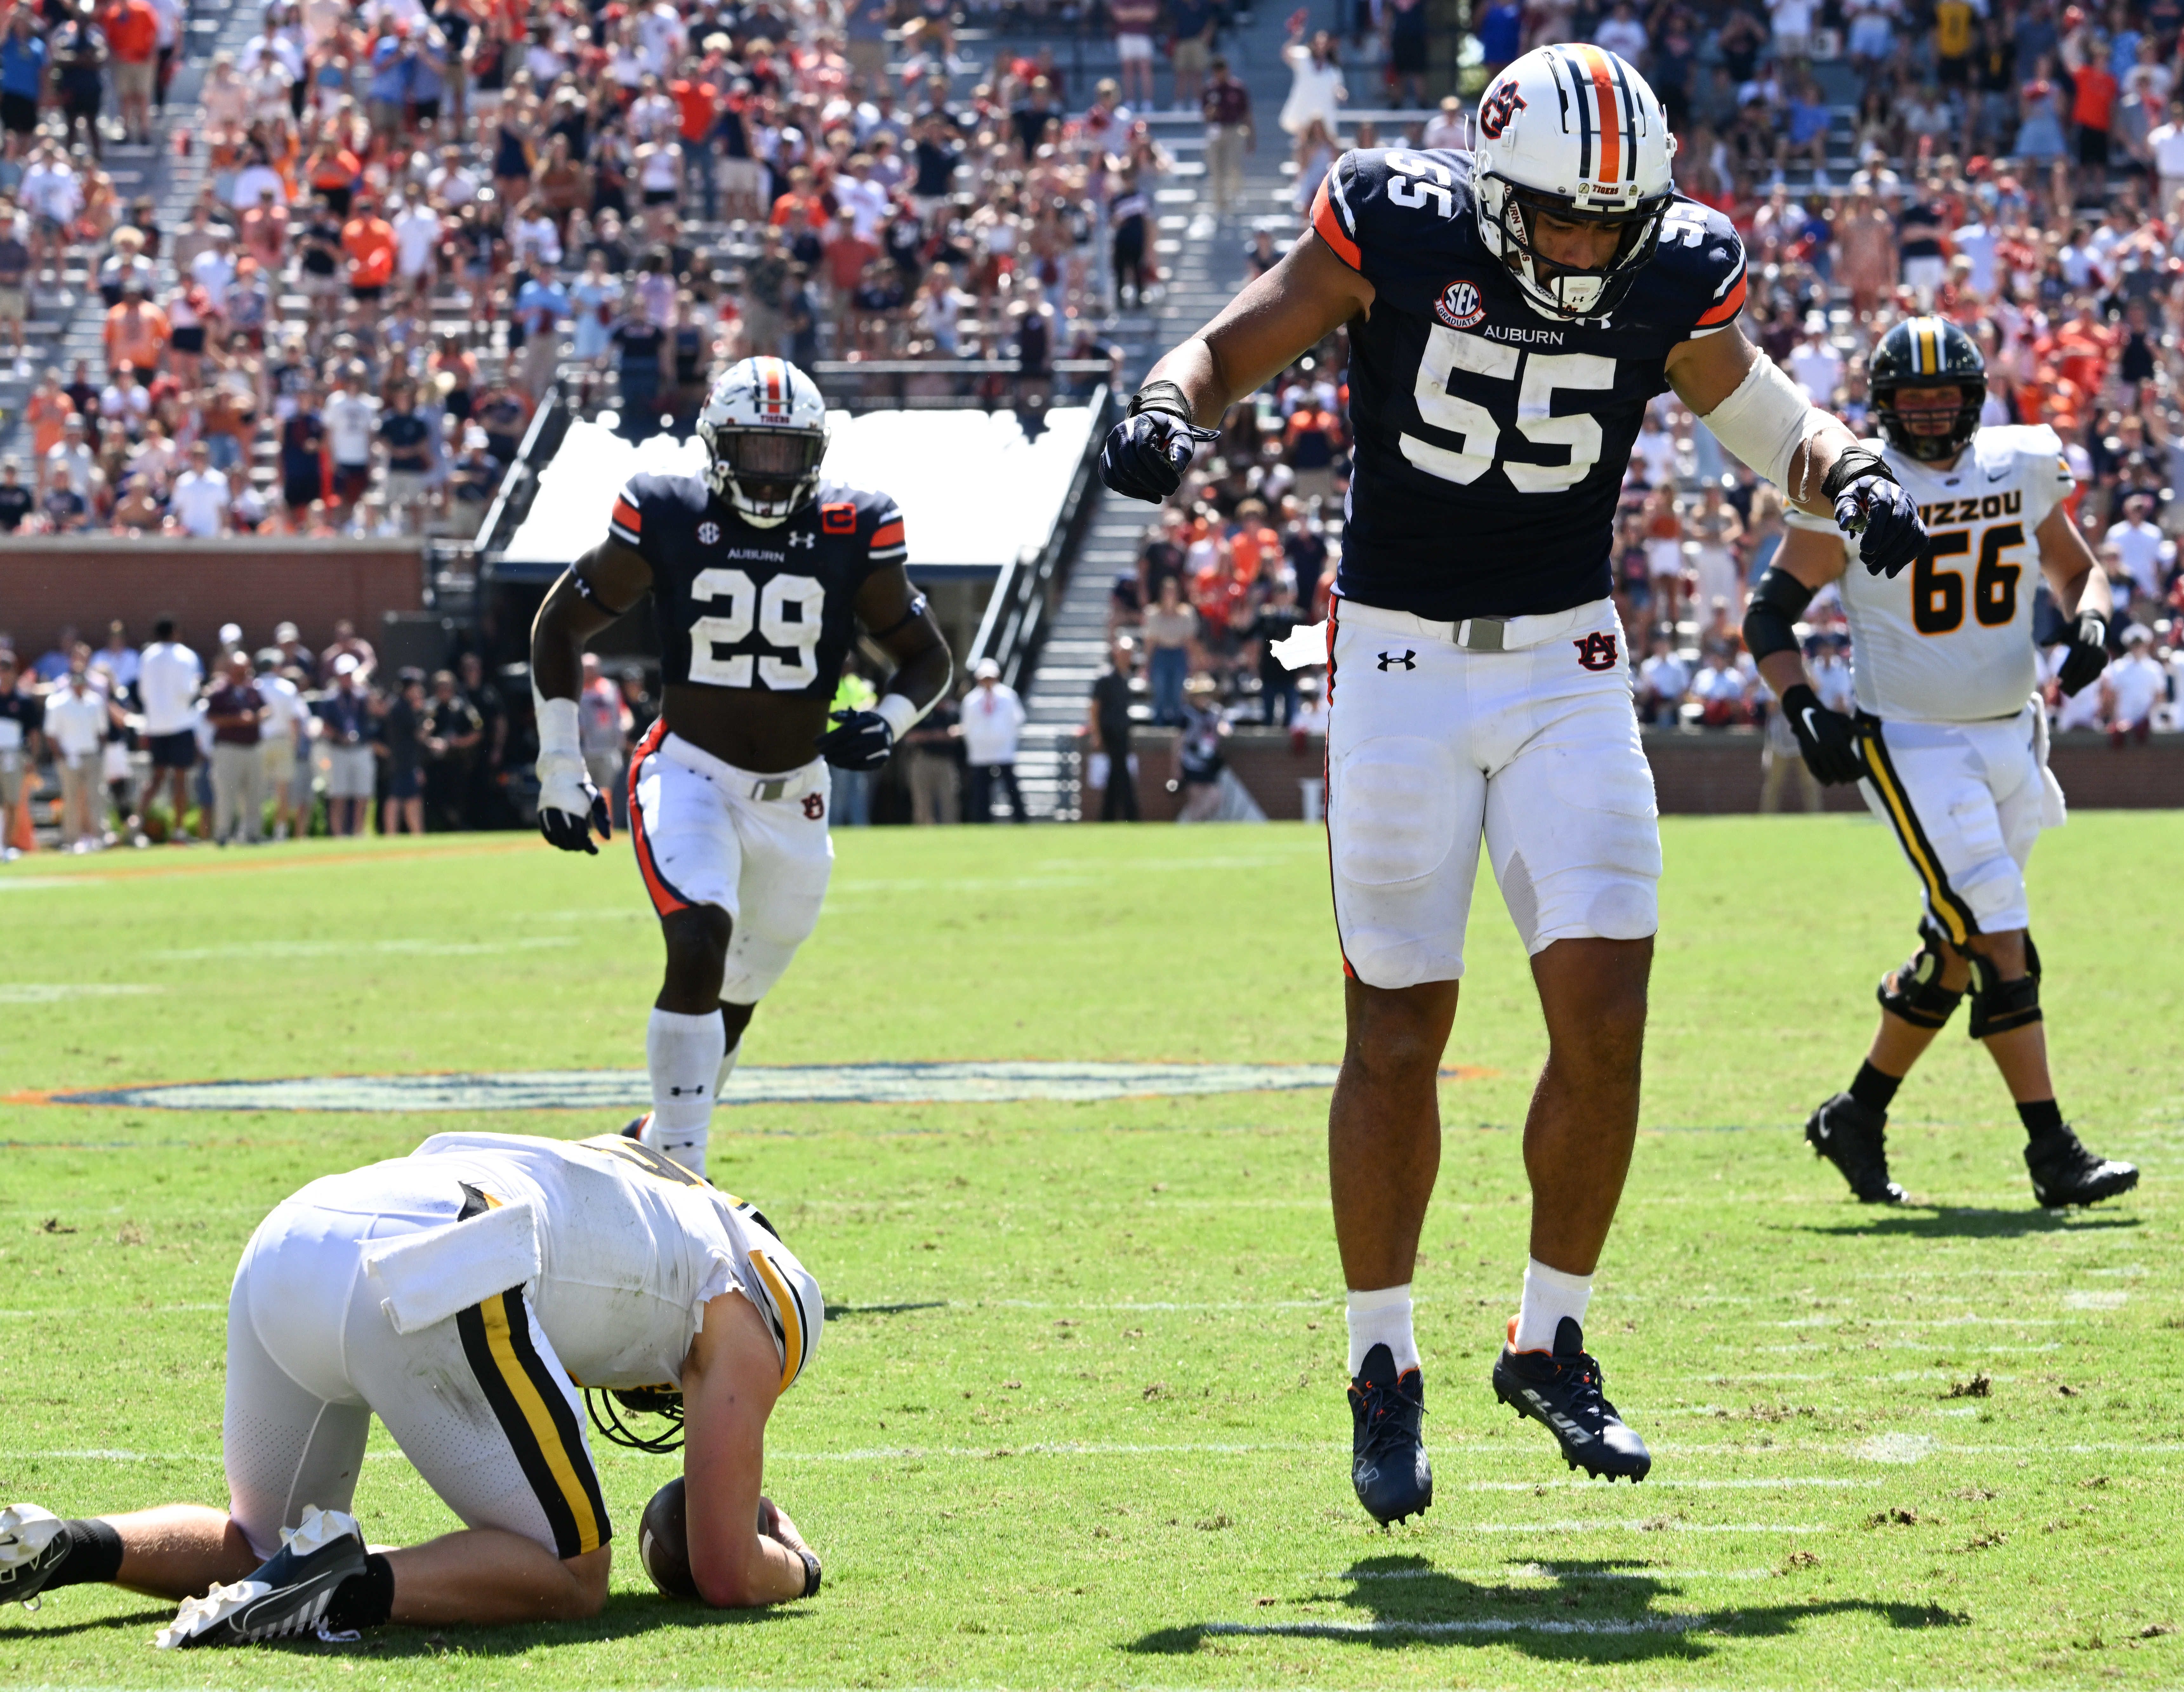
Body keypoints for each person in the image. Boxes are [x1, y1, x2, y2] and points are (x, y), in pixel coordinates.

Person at [1098, 47, 1929, 1521]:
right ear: (1491, 191)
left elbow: (1756, 413)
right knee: (1399, 1027)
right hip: (1399, 668)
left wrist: (1847, 470)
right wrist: (1163, 408)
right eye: (1559, 218)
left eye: (1613, 221)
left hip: (1565, 657)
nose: (1586, 247)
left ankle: (1548, 1332)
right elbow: (1226, 349)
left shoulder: (1666, 262)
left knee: (1604, 1016)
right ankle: (1378, 1360)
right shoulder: (1392, 223)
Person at [0, 1130, 824, 1643]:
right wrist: (795, 1564)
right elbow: (724, 1571)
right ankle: (343, 1582)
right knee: (572, 1573)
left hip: (292, 1235)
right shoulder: (761, 1285)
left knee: (258, 1542)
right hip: (438, 1255)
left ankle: (62, 1543)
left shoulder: (624, 1183)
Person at [531, 357, 952, 1184]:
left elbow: (926, 657)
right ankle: (684, 1174)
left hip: (797, 798)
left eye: (785, 452)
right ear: (714, 447)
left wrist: (890, 722)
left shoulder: (854, 526)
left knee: (738, 992)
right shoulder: (665, 510)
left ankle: (654, 1143)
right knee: (698, 933)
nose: (767, 471)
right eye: (751, 449)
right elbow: (558, 624)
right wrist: (559, 767)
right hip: (688, 772)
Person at [1757, 317, 2135, 1213]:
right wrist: (1804, 706)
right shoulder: (1857, 486)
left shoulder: (2019, 462)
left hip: (2014, 732)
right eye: (1911, 399)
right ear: (1883, 407)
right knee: (1999, 925)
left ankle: (1857, 1111)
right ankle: (2052, 1149)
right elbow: (1770, 614)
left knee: (1963, 944)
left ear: (1973, 398)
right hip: (1914, 742)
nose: (1930, 413)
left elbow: (2079, 571)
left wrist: (2090, 619)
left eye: (1944, 396)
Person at [139, 617, 203, 839]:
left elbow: (143, 692)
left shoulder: (147, 656)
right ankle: (179, 830)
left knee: (156, 778)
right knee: (180, 779)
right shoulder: (185, 656)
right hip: (181, 723)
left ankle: (136, 823)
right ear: (175, 632)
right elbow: (188, 690)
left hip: (156, 725)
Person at [43, 653, 108, 850]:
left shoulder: (95, 702)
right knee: (71, 798)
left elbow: (102, 731)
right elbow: (51, 734)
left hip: (90, 754)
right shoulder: (58, 703)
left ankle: (96, 837)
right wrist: (61, 756)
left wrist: (98, 753)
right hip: (68, 755)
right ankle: (71, 839)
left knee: (94, 797)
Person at [204, 649, 266, 846]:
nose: (242, 674)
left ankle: (252, 834)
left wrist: (256, 718)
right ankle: (223, 834)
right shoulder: (221, 692)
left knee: (254, 794)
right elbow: (211, 718)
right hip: (229, 749)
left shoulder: (253, 690)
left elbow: (266, 709)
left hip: (252, 748)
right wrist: (236, 720)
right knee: (226, 793)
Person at [958, 658, 1026, 823]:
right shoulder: (971, 700)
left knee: (1011, 788)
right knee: (982, 791)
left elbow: (1018, 719)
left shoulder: (1009, 696)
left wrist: (1007, 738)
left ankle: (1020, 819)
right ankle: (982, 820)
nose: (988, 682)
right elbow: (967, 725)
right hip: (980, 752)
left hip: (1004, 750)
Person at [1086, 635, 1140, 821]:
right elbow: (1094, 708)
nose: (1127, 656)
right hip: (1111, 732)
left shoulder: (1125, 678)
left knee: (1115, 776)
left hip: (1122, 732)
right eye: (1124, 652)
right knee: (1122, 774)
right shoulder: (1105, 678)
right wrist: (1097, 734)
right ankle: (1131, 815)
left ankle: (1107, 817)